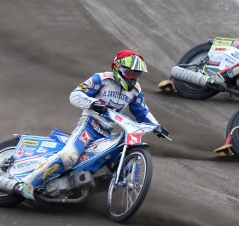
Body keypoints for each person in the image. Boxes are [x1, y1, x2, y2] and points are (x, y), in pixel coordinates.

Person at [0, 50, 169, 200]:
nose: (132, 76)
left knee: (115, 161)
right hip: (88, 126)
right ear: (117, 67)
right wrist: (93, 103)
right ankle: (26, 184)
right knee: (69, 156)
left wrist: (156, 126)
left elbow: (143, 112)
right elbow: (75, 95)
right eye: (129, 72)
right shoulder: (101, 79)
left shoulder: (135, 90)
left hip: (105, 134)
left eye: (136, 74)